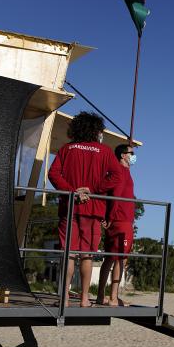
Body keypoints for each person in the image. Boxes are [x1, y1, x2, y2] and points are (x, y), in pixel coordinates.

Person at [48, 111, 123, 307]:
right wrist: (94, 189)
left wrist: (72, 191)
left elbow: (53, 174)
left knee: (69, 254)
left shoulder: (67, 149)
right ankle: (83, 299)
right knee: (87, 254)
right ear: (96, 130)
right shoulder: (105, 151)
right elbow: (116, 176)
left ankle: (64, 298)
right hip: (94, 209)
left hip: (69, 207)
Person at [97, 144, 136, 306]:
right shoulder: (121, 171)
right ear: (122, 155)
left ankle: (102, 295)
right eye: (131, 153)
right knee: (121, 259)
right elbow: (116, 196)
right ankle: (113, 297)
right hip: (121, 220)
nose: (133, 156)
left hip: (121, 219)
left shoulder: (124, 172)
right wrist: (111, 218)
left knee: (110, 258)